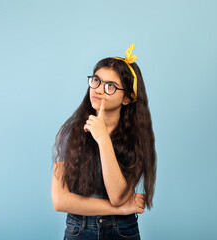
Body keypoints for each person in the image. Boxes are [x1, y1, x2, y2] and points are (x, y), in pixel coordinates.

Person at [51, 44, 157, 240]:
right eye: (96, 81)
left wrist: (102, 138)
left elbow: (118, 196)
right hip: (78, 229)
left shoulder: (136, 137)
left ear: (127, 98)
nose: (98, 90)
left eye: (110, 86)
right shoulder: (71, 132)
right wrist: (122, 209)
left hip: (122, 230)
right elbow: (60, 200)